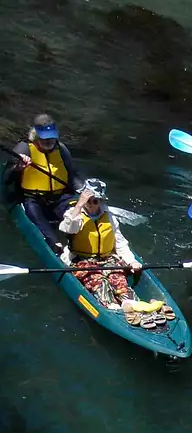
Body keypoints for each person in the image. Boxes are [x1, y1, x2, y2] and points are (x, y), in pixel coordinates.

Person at [58, 179, 170, 326]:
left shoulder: (109, 216)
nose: (91, 204)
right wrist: (79, 204)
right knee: (99, 282)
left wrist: (132, 261)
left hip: (108, 259)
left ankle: (134, 306)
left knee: (119, 281)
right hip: (82, 260)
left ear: (101, 201)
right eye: (88, 200)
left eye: (95, 201)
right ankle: (114, 309)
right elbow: (67, 229)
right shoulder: (74, 214)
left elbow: (120, 243)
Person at [5, 113, 82, 252]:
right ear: (35, 135)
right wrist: (17, 168)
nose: (49, 142)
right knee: (33, 211)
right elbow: (5, 180)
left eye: (52, 137)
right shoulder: (23, 149)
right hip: (34, 199)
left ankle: (80, 243)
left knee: (80, 213)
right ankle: (54, 243)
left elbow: (73, 176)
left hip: (60, 198)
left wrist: (85, 192)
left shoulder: (62, 150)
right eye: (45, 138)